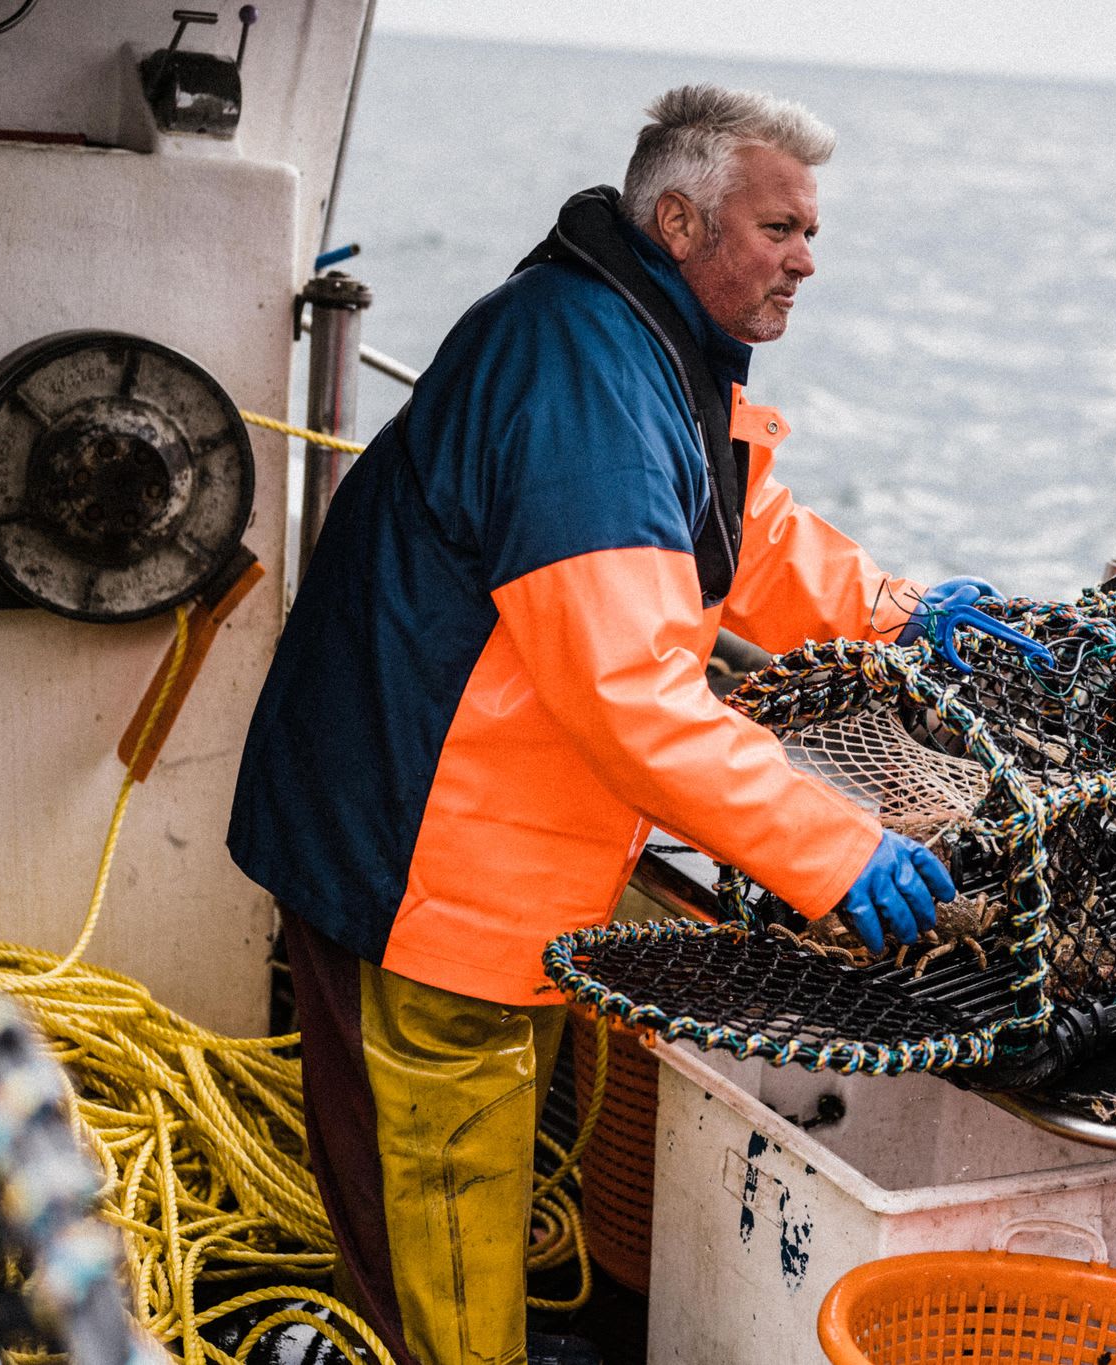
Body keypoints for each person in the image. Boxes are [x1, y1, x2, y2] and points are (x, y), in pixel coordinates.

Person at [229, 85, 994, 1365]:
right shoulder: (582, 375)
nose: (807, 259)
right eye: (779, 227)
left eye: (813, 232)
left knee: (455, 1175)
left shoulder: (636, 338)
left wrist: (900, 614)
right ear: (682, 218)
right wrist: (837, 852)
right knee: (441, 1200)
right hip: (420, 876)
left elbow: (728, 526)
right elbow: (632, 695)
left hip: (488, 861)